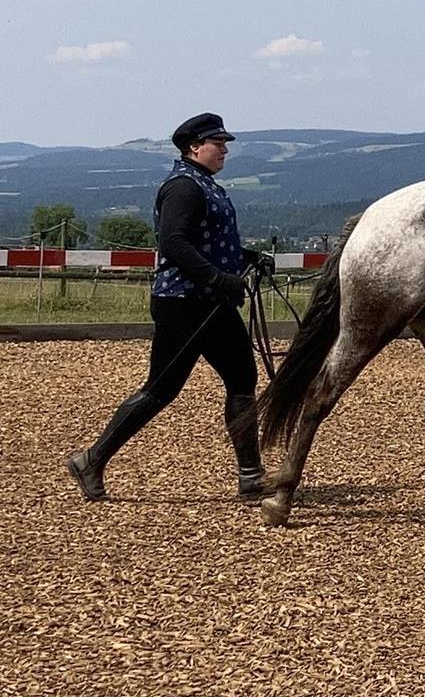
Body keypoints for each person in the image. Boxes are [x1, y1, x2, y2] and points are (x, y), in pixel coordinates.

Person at [65, 112, 274, 502]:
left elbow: (207, 240)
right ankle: (91, 459)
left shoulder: (204, 185)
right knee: (162, 389)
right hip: (183, 303)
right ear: (194, 147)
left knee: (243, 379)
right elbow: (175, 243)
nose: (224, 149)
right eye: (218, 143)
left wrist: (246, 256)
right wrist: (218, 278)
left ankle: (250, 476)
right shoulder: (184, 188)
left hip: (211, 302)